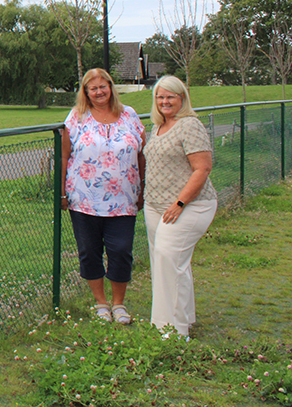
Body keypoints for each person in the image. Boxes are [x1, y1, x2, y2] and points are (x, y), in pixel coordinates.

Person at [61, 68, 146, 325]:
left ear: (111, 87)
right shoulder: (77, 117)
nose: (99, 92)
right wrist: (61, 191)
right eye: (93, 88)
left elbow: (141, 154)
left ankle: (119, 304)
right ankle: (100, 303)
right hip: (84, 199)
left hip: (124, 199)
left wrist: (142, 187)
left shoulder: (129, 115)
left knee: (121, 250)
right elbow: (64, 155)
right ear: (86, 92)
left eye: (103, 86)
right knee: (89, 251)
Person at [143, 76, 216, 337]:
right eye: (160, 97)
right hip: (155, 206)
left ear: (182, 98)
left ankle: (172, 332)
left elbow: (202, 168)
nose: (164, 101)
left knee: (168, 259)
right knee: (169, 263)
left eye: (170, 96)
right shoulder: (159, 125)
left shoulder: (189, 125)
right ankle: (182, 319)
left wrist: (179, 202)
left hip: (188, 206)